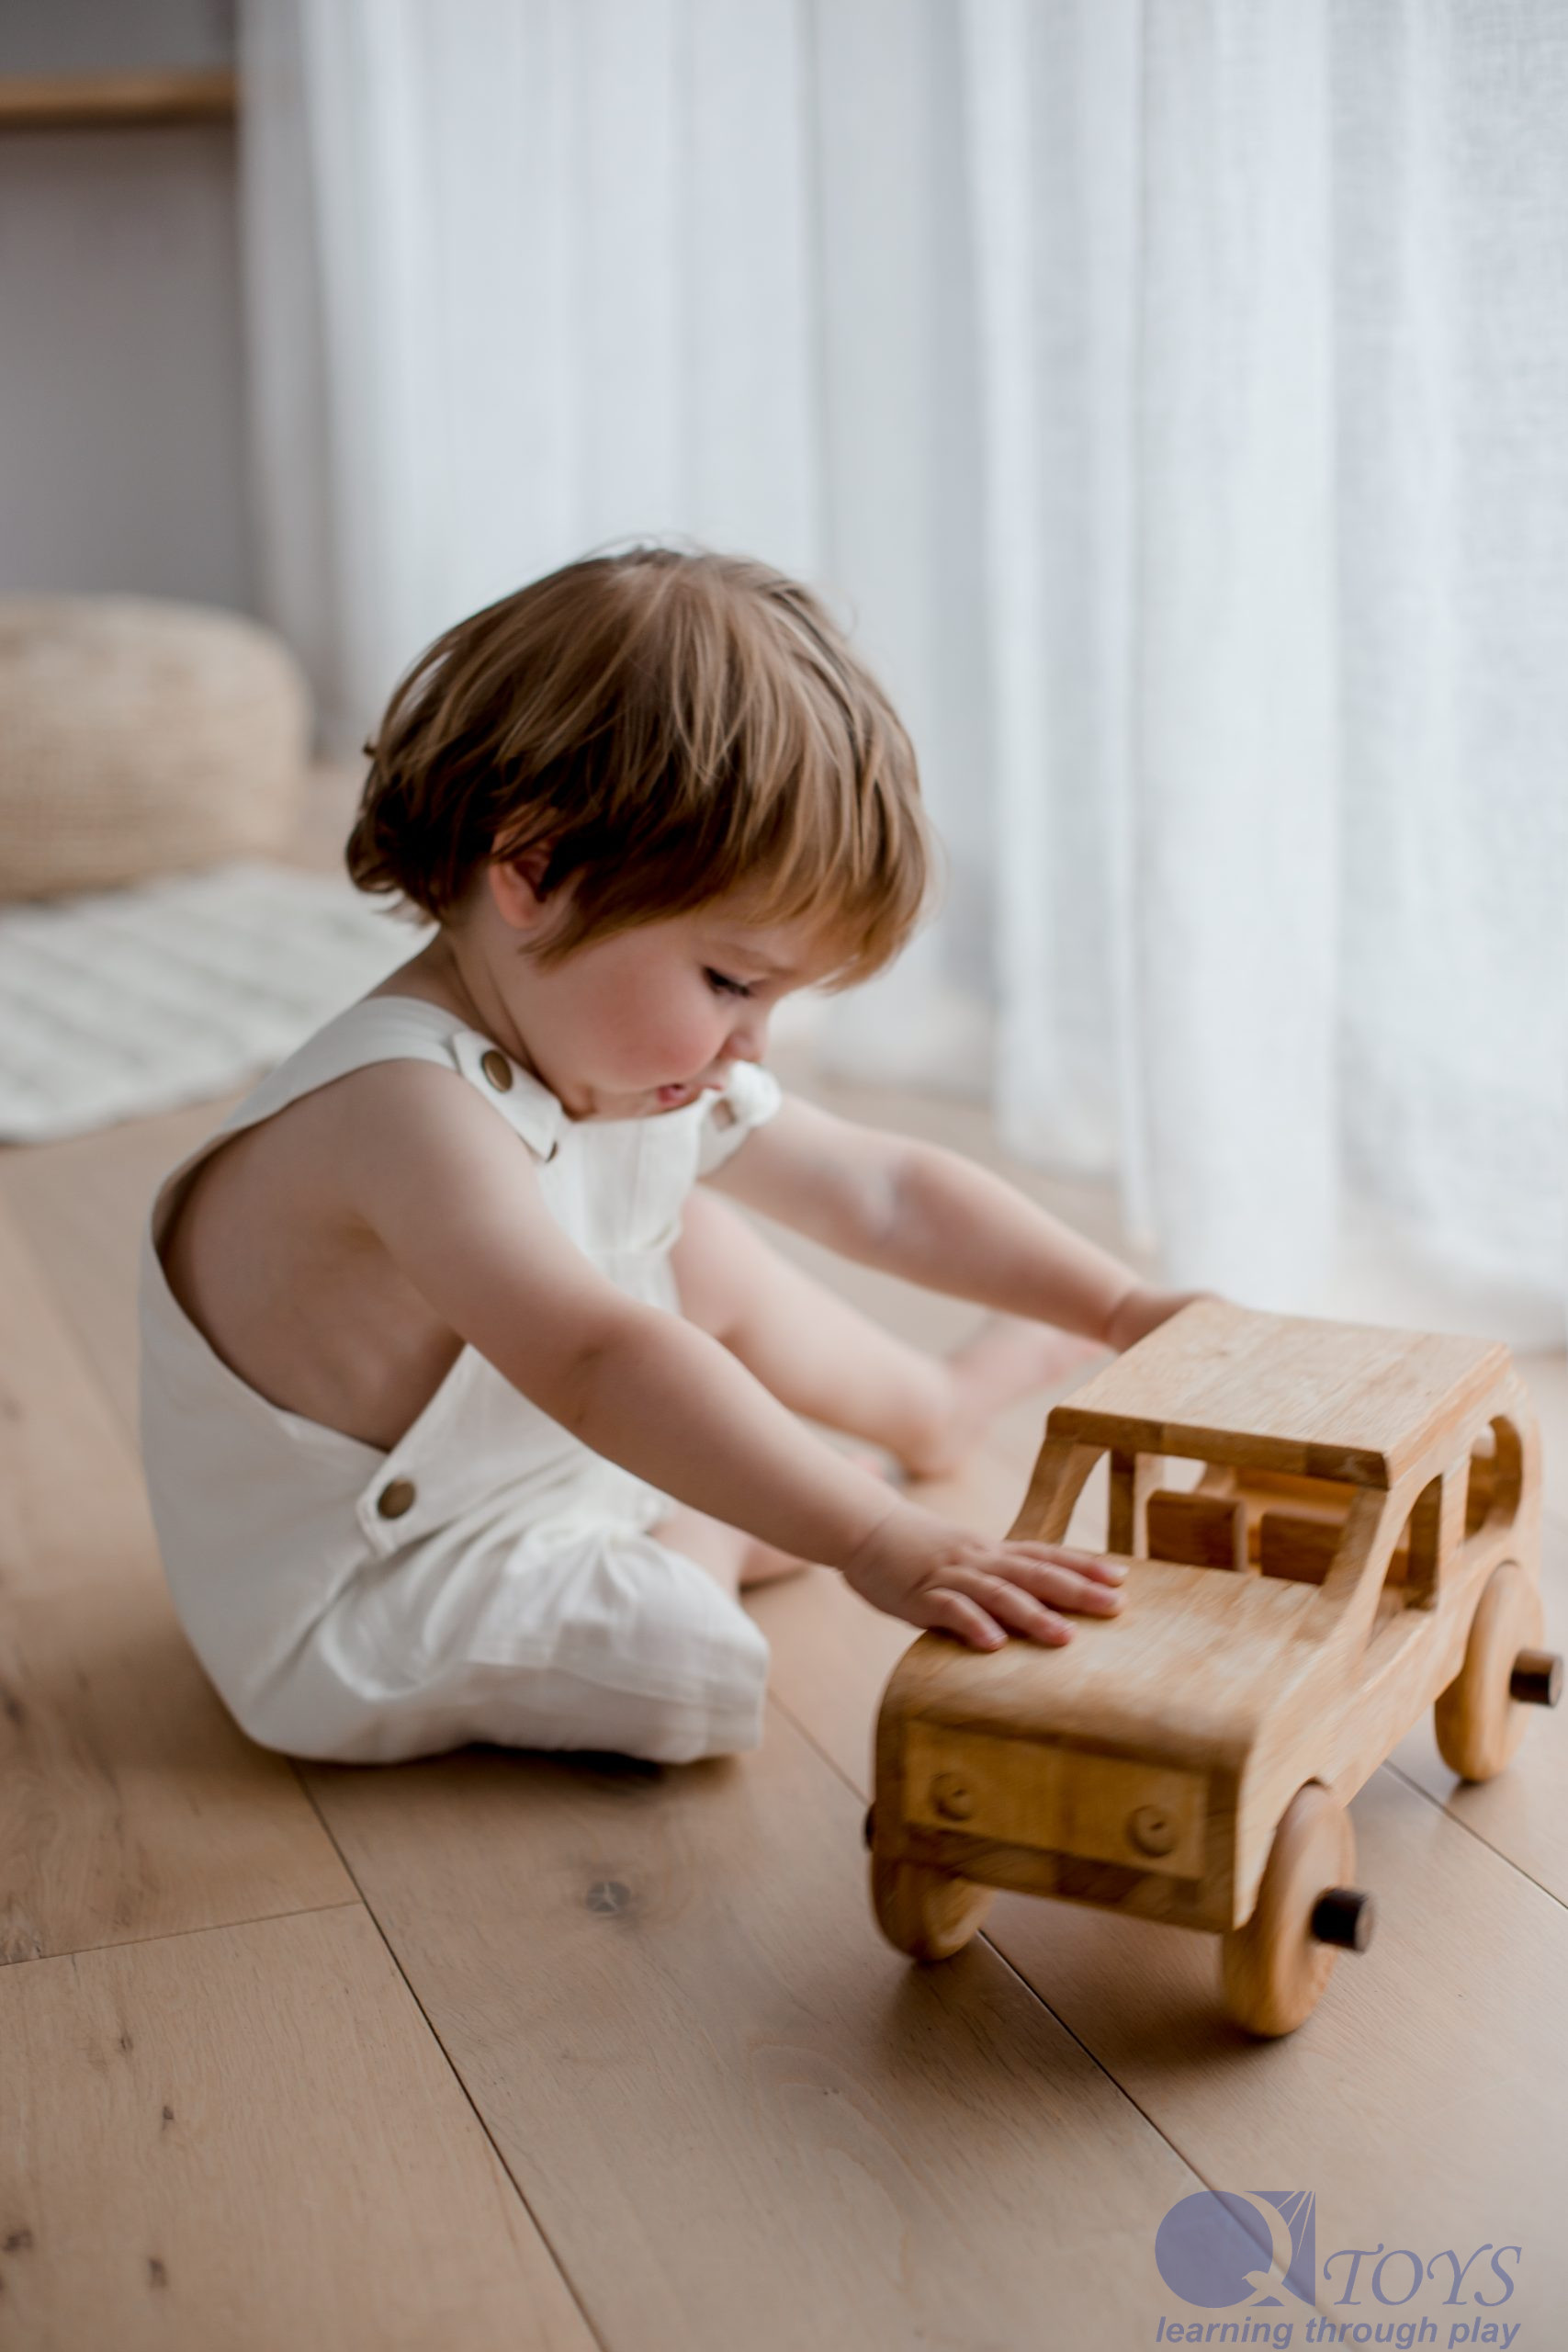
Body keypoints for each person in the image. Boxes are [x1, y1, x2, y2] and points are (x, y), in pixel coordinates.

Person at [138, 546, 1194, 1770]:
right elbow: (597, 1359)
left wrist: (1123, 1305)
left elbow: (885, 1193)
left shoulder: (593, 1035)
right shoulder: (402, 1113)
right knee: (686, 1662)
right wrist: (872, 1539)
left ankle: (932, 1407)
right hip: (374, 1584)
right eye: (732, 980)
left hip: (534, 1443)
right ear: (535, 872)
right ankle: (714, 1524)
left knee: (690, 1236)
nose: (752, 1044)